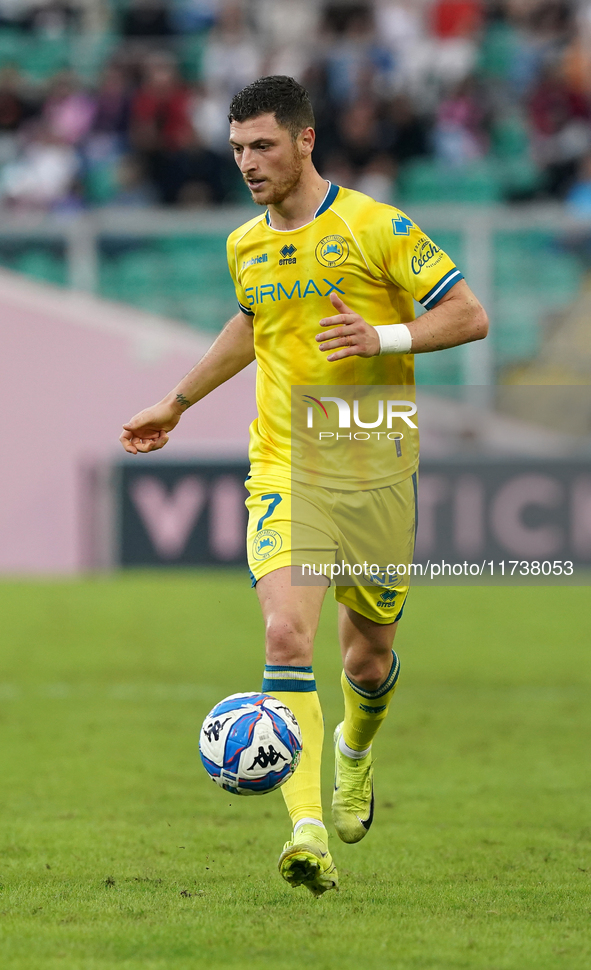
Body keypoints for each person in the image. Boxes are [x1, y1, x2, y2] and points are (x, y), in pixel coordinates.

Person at [120, 75, 488, 898]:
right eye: (238, 149)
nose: (248, 163)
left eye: (263, 146)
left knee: (368, 657)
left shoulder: (375, 227)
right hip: (287, 466)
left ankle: (356, 752)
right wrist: (177, 402)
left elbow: (468, 314)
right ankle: (307, 832)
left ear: (305, 140)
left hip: (375, 467)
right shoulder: (244, 243)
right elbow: (254, 323)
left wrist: (383, 334)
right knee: (285, 638)